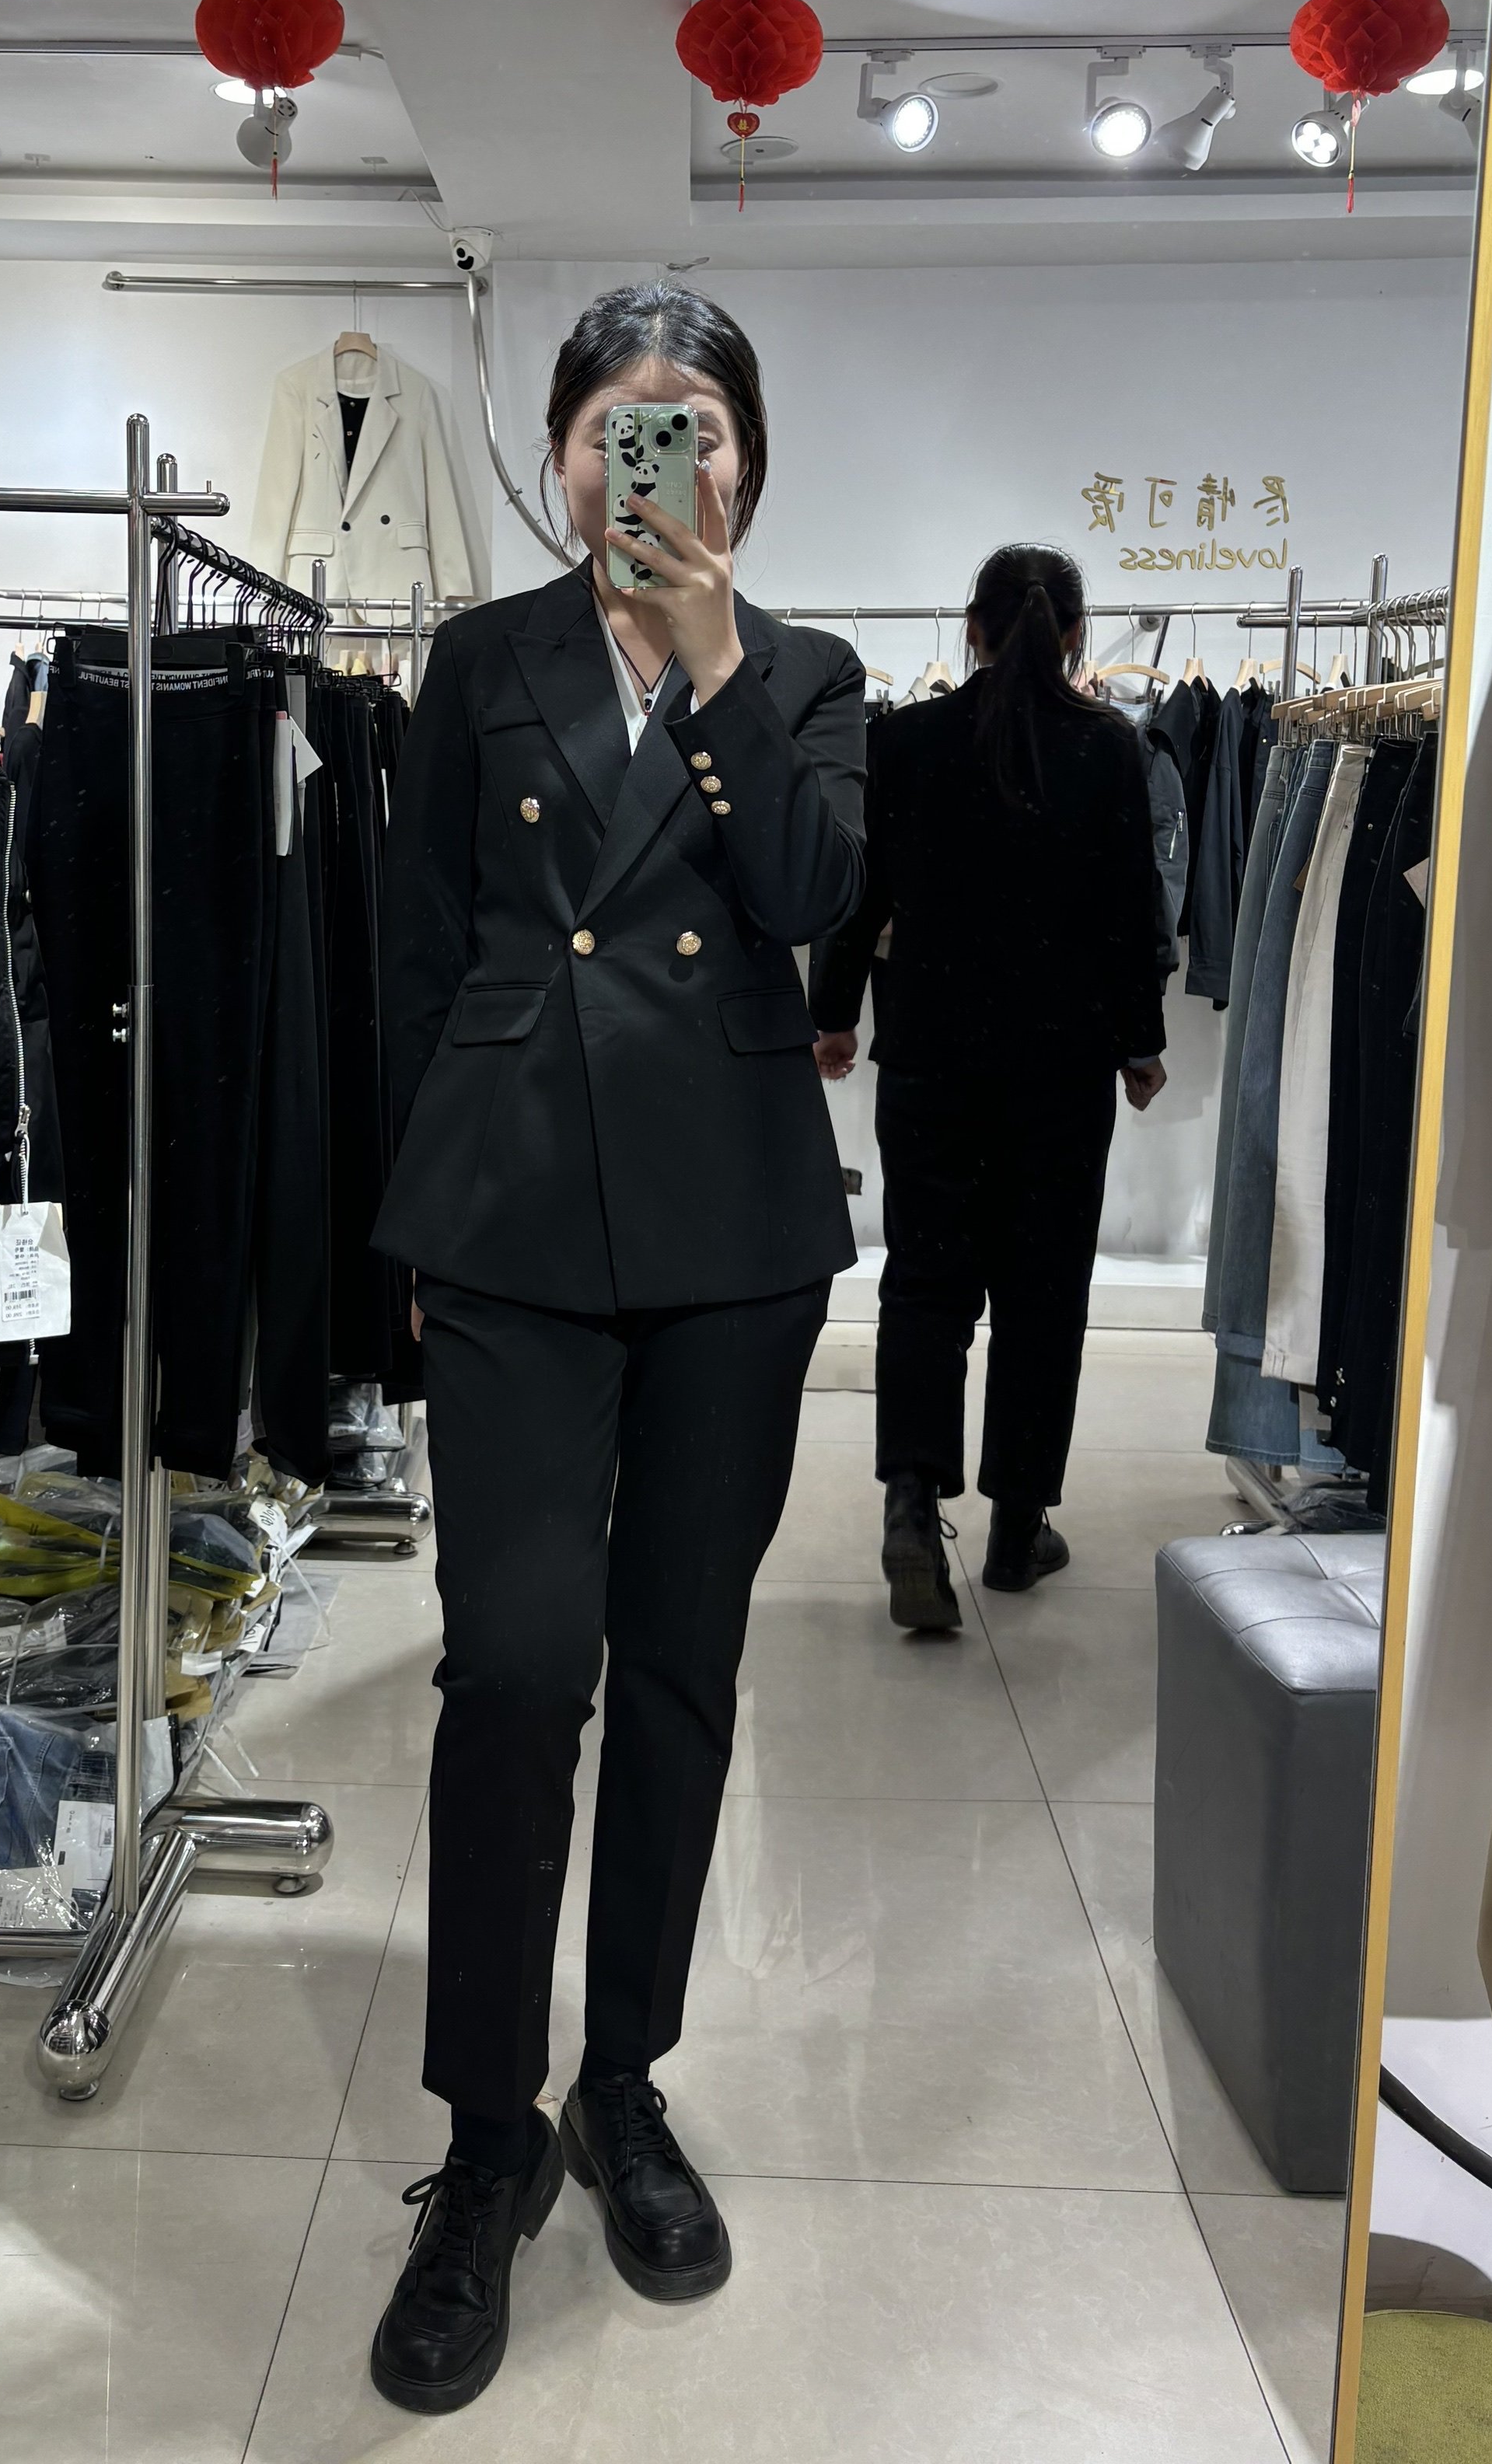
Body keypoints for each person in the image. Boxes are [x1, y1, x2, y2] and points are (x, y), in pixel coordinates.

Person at [366, 283, 866, 2413]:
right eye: (620, 423)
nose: (660, 455)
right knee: (512, 1667)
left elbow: (819, 898)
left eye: (699, 424)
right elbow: (412, 949)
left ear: (749, 462)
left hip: (734, 1235)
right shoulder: (478, 661)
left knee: (677, 1667)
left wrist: (716, 661)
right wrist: (401, 1223)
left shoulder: (811, 675)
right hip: (507, 1218)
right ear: (562, 452)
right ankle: (487, 2136)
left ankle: (622, 2082)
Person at [810, 544, 1167, 1634]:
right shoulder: (1107, 747)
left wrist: (835, 1014)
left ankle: (913, 1506)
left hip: (932, 1057)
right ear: (1075, 634)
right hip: (1061, 1067)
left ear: (970, 629)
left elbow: (860, 894)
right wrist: (1140, 1042)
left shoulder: (904, 740)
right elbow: (1130, 909)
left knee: (926, 1284)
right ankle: (1017, 1531)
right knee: (1043, 1292)